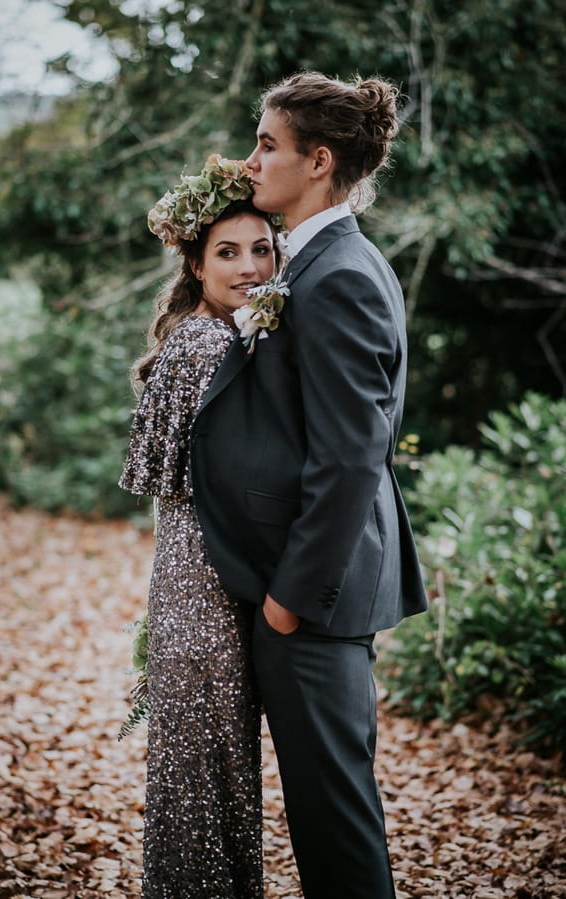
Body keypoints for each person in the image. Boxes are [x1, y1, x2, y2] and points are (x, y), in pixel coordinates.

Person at [190, 73, 428, 899]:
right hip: (295, 589)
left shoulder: (340, 276)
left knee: (334, 817)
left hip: (313, 599)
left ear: (318, 161)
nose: (251, 159)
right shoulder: (309, 258)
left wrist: (289, 599)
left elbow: (352, 457)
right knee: (320, 812)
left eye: (266, 143)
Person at [119, 154, 280, 899]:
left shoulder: (232, 334)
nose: (248, 266)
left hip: (203, 574)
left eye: (261, 248)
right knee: (204, 773)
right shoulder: (206, 343)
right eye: (227, 252)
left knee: (215, 769)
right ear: (195, 262)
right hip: (203, 581)